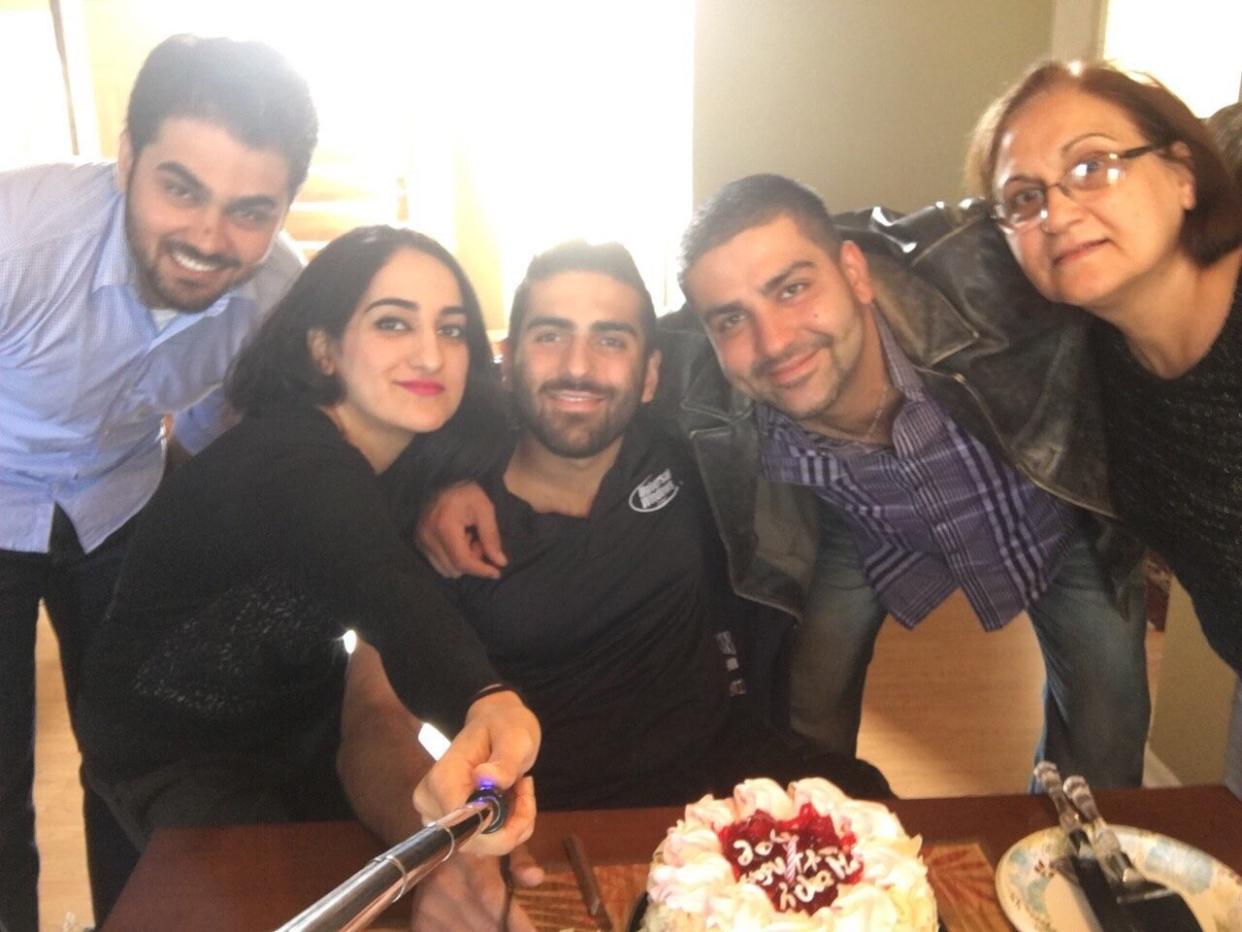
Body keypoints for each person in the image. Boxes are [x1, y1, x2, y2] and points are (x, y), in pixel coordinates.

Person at [422, 175, 1151, 793]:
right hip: (865, 528)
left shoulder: (981, 268)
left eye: (793, 288)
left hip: (1052, 513)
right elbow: (561, 382)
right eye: (733, 318)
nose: (773, 342)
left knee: (1109, 723)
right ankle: (818, 844)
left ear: (855, 271)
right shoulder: (688, 364)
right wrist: (455, 469)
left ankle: (1079, 871)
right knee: (814, 694)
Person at [340, 240, 888, 932]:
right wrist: (433, 849)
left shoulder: (694, 450)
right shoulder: (444, 522)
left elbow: (793, 312)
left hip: (728, 787)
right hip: (548, 821)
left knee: (873, 812)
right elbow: (371, 720)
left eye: (611, 339)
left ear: (653, 372)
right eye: (551, 336)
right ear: (509, 361)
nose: (578, 367)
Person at [72, 226, 540, 893]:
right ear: (323, 348)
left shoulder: (402, 451)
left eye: (454, 329)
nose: (432, 354)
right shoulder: (290, 461)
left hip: (297, 721)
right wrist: (484, 699)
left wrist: (454, 483)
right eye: (393, 323)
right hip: (171, 750)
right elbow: (383, 585)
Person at [0, 34, 317, 929]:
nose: (210, 240)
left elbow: (230, 429)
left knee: (143, 760)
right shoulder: (19, 235)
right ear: (128, 158)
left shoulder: (276, 300)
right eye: (181, 188)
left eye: (250, 210)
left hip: (121, 504)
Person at [967, 60, 1242, 788]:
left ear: (1184, 175)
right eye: (1023, 198)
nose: (1056, 214)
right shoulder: (1093, 356)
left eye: (1092, 165)